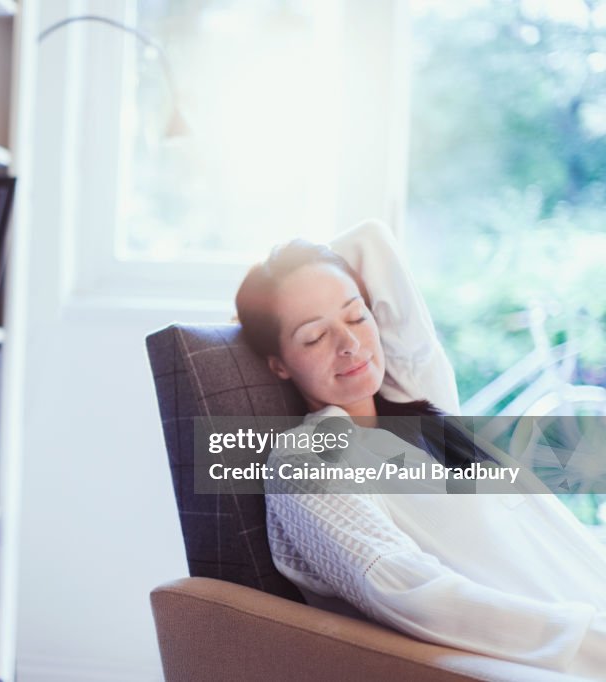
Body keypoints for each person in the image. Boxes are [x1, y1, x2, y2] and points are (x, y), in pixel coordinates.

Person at [234, 233, 606, 679]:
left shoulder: (417, 410)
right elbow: (406, 590)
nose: (349, 343)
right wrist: (590, 643)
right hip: (564, 659)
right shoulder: (308, 459)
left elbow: (372, 241)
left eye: (357, 315)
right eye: (314, 337)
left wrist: (305, 270)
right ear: (278, 363)